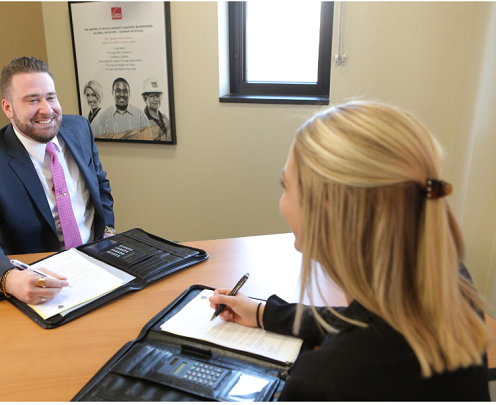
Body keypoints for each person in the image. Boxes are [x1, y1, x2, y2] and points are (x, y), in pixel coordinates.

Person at [209, 101, 490, 400]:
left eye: (285, 186)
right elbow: (354, 321)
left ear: (326, 211)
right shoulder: (449, 283)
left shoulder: (326, 384)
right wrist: (264, 313)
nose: (282, 202)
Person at [0, 56, 116, 305]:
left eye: (50, 97)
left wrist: (107, 232)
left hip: (96, 262)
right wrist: (10, 279)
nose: (47, 109)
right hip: (41, 281)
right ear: (8, 108)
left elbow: (100, 186)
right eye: (32, 100)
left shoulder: (80, 128)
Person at [141, 77, 171, 142]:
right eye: (152, 96)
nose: (156, 99)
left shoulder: (165, 118)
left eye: (158, 95)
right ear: (145, 99)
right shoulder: (142, 121)